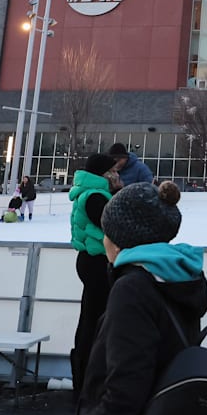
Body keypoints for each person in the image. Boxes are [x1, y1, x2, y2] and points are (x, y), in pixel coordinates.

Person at [79, 181, 207, 415]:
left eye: (106, 231)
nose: (104, 240)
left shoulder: (132, 289)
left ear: (121, 239)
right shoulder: (177, 277)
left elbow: (124, 391)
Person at [68, 153, 119, 393]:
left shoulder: (89, 193)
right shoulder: (96, 196)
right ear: (105, 173)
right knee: (95, 319)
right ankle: (88, 377)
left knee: (91, 316)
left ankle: (86, 374)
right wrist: (120, 195)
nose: (117, 175)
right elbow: (114, 224)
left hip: (91, 260)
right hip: (97, 262)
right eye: (114, 171)